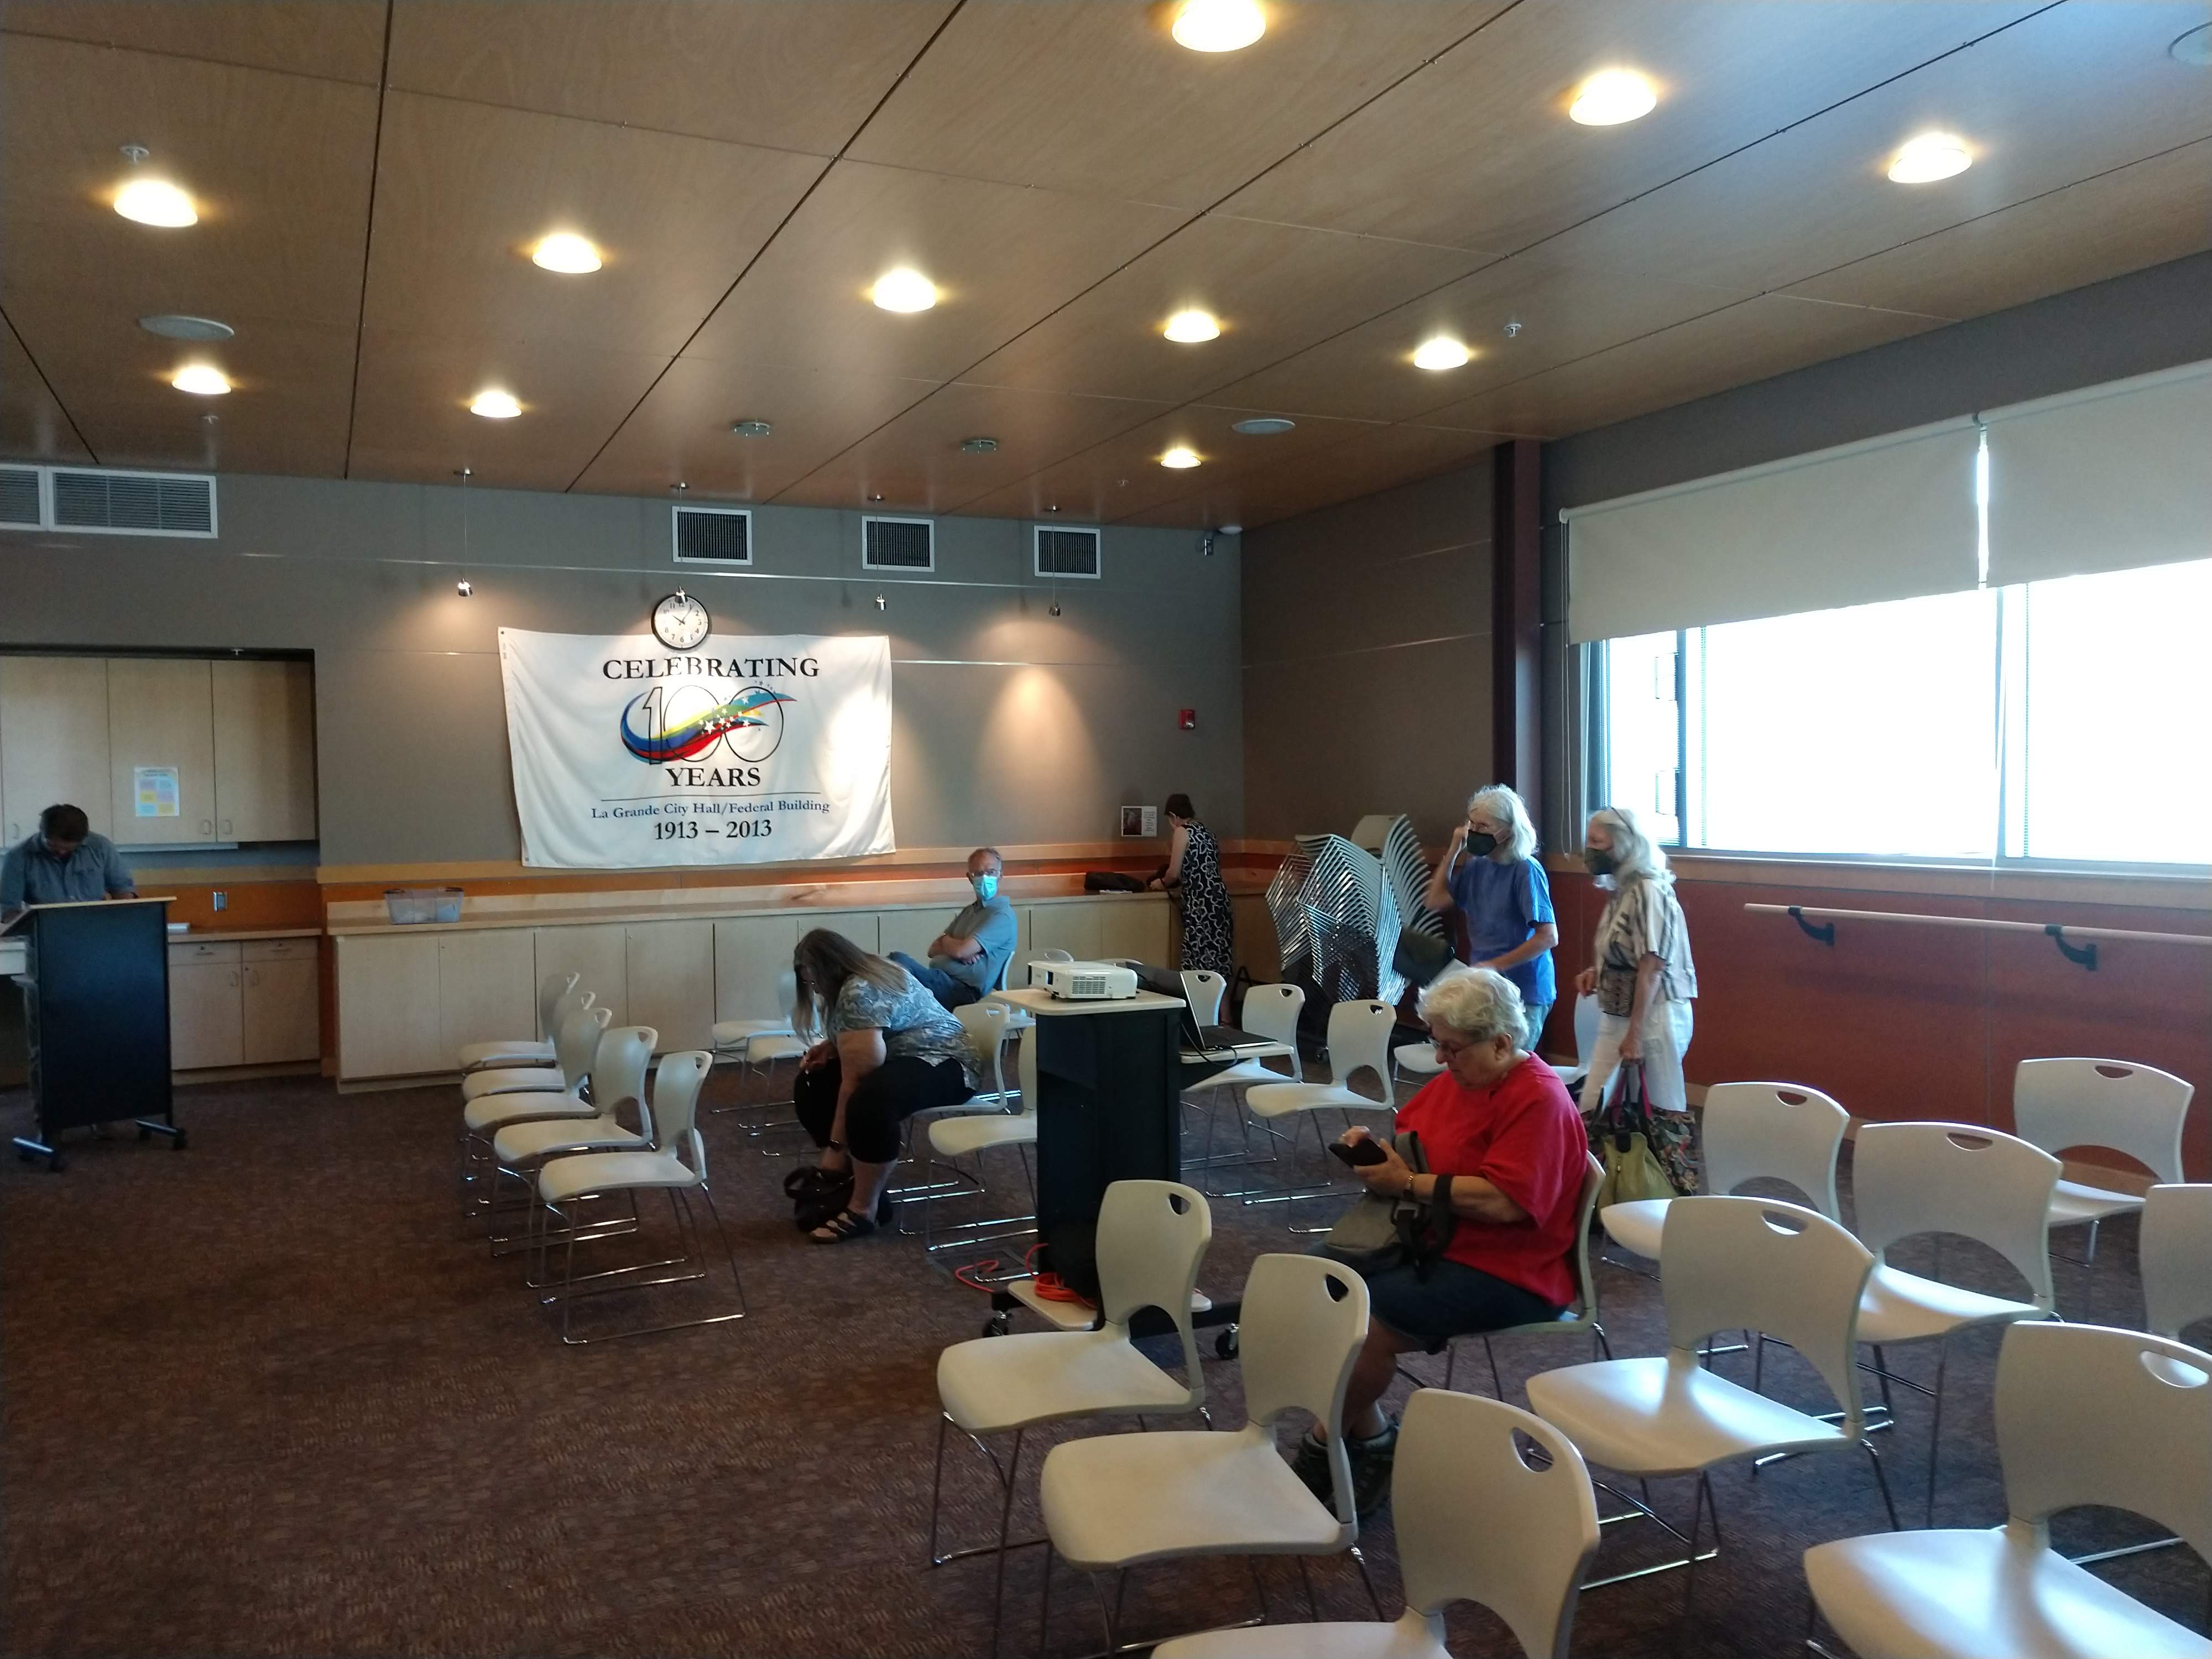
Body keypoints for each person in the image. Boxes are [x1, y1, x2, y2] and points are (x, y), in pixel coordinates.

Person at [1290, 967, 1586, 1516]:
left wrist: (1404, 1182)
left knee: (1362, 1323)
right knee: (1312, 1285)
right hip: (1435, 1241)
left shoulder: (1537, 1099)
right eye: (1437, 1044)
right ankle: (1374, 1438)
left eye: (1452, 1048)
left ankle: (1321, 1443)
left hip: (1511, 1270)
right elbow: (1418, 1145)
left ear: (1501, 1043)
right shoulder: (1463, 1080)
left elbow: (1505, 1202)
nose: (1441, 1060)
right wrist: (1376, 1152)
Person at [790, 928, 980, 1243]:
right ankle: (856, 1180)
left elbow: (856, 1079)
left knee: (871, 1102)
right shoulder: (860, 975)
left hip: (949, 1062)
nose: (816, 990)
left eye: (815, 982)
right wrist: (834, 1045)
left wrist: (835, 1149)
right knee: (814, 1082)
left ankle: (863, 1209)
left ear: (830, 969)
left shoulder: (860, 990)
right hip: (905, 1054)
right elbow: (874, 1030)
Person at [1572, 805, 1699, 1194]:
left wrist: (1636, 1035)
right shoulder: (1622, 890)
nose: (1589, 849)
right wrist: (1598, 972)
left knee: (1660, 1113)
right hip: (1618, 1013)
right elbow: (1625, 953)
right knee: (1593, 1104)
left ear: (1624, 844)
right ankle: (1599, 1195)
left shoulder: (1648, 889)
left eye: (1597, 841)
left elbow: (1653, 967)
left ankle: (1671, 1197)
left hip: (1655, 1017)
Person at [1422, 783, 1558, 1042]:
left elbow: (1548, 937)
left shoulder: (1526, 869)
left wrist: (1494, 965)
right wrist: (1453, 850)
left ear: (1507, 830)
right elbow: (1435, 901)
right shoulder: (1478, 867)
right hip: (1486, 985)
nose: (1474, 832)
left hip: (1524, 989)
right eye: (1472, 824)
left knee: (1513, 1060)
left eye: (1483, 826)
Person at [889, 847, 1018, 1010]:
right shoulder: (970, 911)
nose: (985, 878)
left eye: (991, 872)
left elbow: (961, 952)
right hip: (942, 979)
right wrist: (951, 945)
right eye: (978, 874)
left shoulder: (1001, 916)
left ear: (1000, 876)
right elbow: (933, 949)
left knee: (897, 961)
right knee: (891, 969)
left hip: (962, 991)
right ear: (970, 878)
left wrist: (954, 948)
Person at [1, 804, 137, 922]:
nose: (61, 852)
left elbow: (122, 890)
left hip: (96, 925)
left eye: (68, 848)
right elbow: (8, 908)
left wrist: (121, 921)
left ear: (83, 839)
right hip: (46, 929)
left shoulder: (100, 847)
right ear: (42, 832)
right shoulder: (18, 857)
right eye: (53, 846)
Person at [1147, 794, 1233, 973]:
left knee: (1196, 959)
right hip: (1219, 899)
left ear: (1174, 816)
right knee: (1217, 962)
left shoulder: (1182, 832)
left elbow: (1173, 872)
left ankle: (1195, 993)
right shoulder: (1207, 832)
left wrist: (1161, 883)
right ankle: (1220, 993)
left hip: (1200, 903)